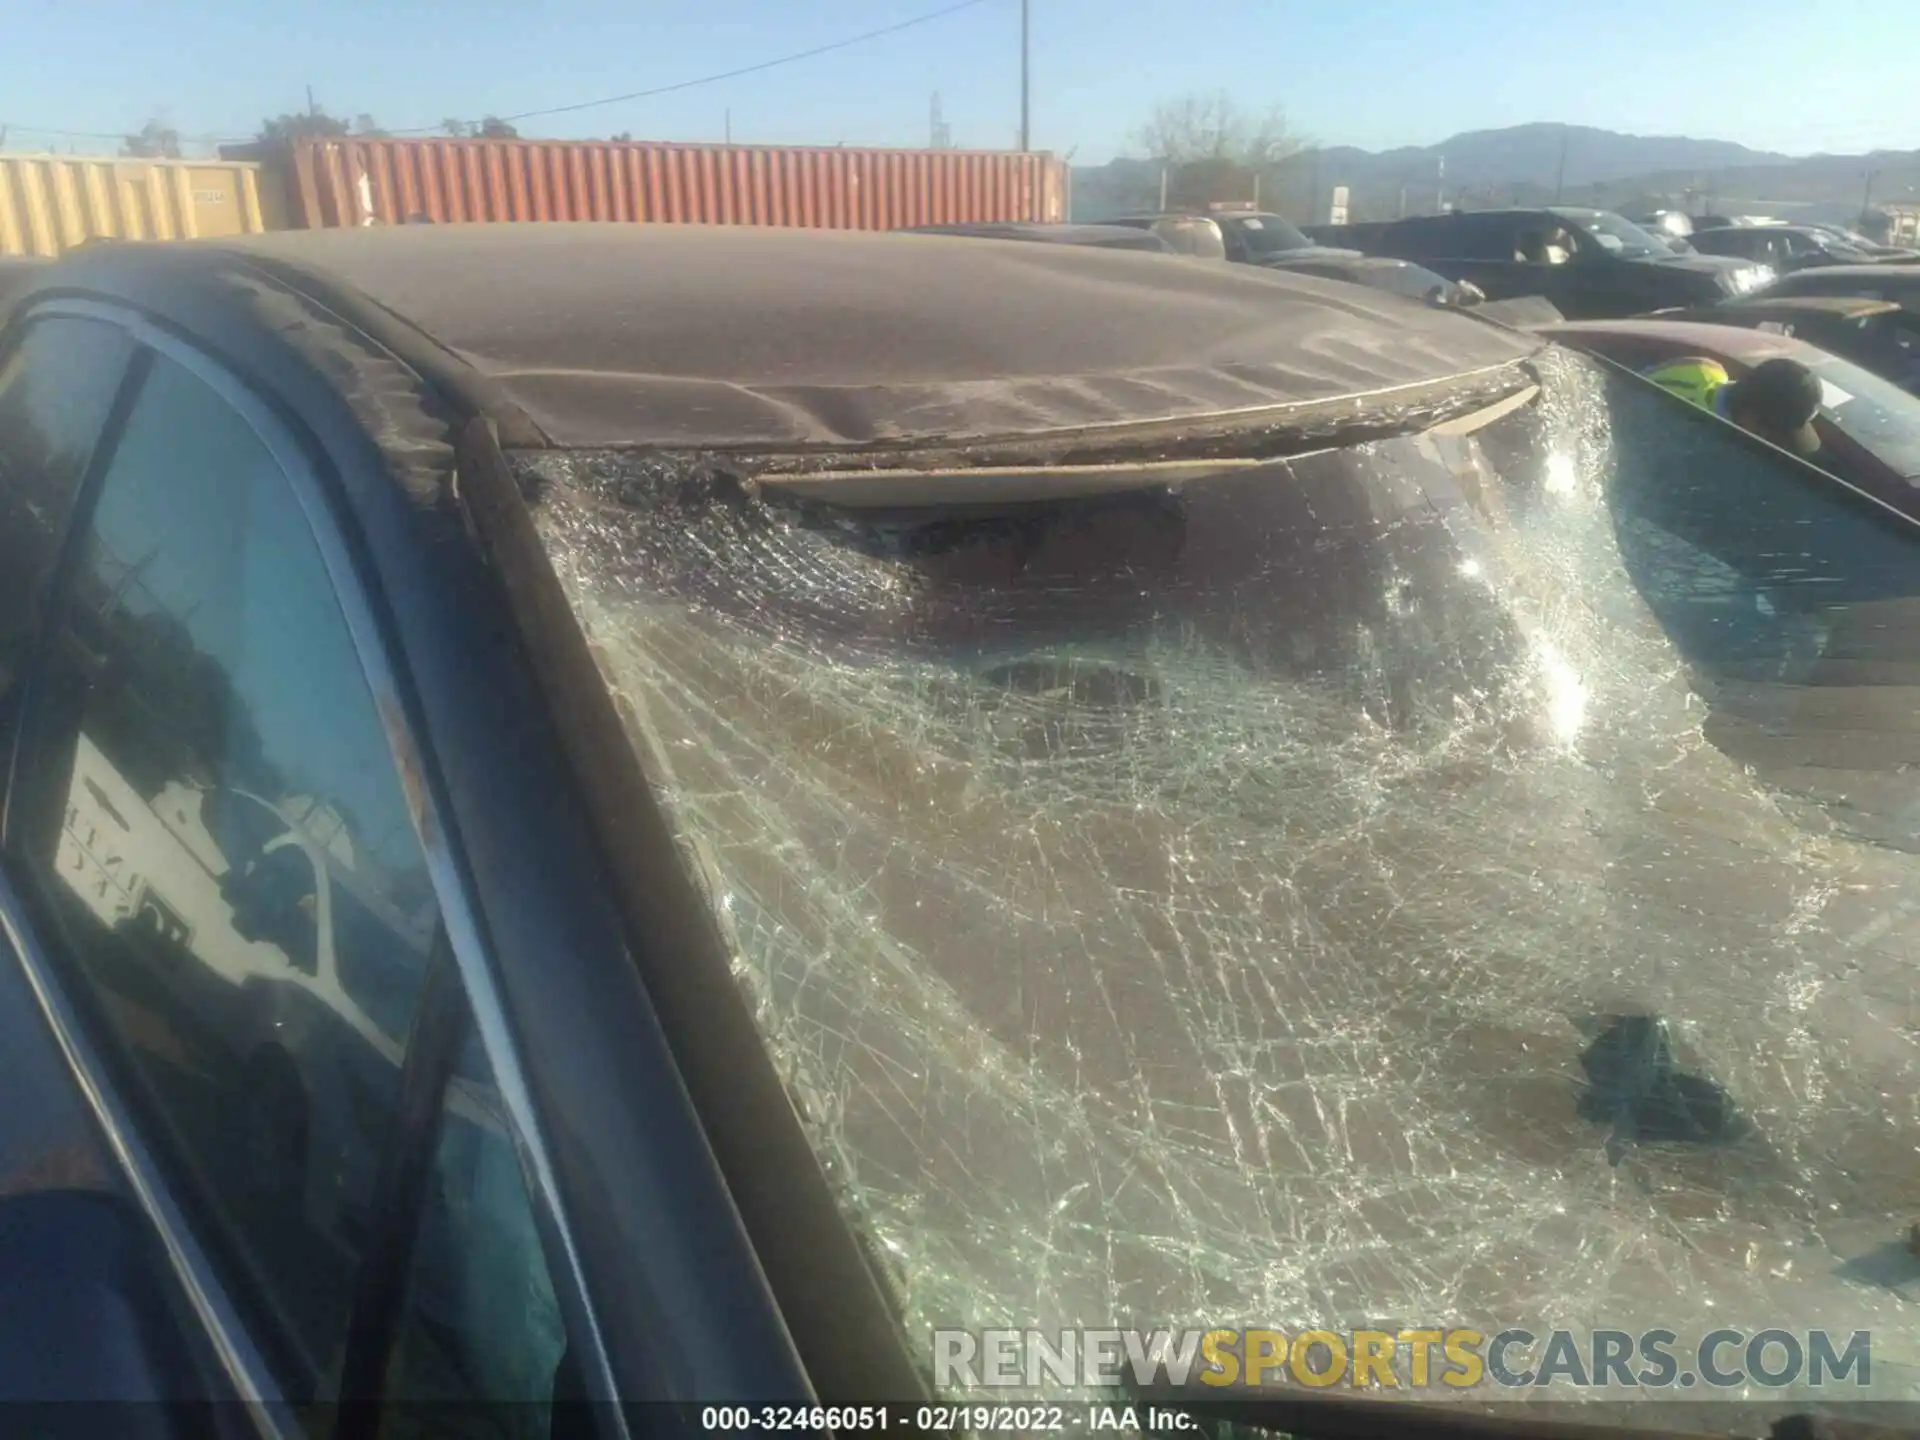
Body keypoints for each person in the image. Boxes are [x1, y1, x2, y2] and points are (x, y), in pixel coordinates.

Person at [1639, 354, 1824, 457]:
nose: (1770, 442)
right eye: (1773, 435)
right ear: (1750, 418)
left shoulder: (1705, 367)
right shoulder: (1699, 443)